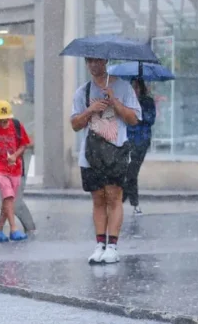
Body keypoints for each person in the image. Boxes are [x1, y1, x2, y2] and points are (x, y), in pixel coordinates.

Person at [71, 57, 141, 265]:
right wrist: (90, 110)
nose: (94, 65)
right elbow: (75, 124)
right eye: (90, 61)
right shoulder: (82, 92)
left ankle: (113, 246)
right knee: (98, 199)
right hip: (92, 154)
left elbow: (134, 119)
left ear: (105, 62)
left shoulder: (122, 87)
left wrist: (115, 102)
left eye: (98, 61)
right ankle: (100, 244)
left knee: (114, 197)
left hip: (116, 151)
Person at [0, 100, 31, 243]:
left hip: (15, 169)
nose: (3, 123)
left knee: (8, 200)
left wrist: (15, 155)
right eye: (0, 120)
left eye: (5, 120)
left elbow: (24, 144)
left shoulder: (16, 126)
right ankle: (14, 229)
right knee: (8, 197)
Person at [123, 77, 156, 215]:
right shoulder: (127, 102)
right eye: (133, 87)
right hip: (127, 140)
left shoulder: (147, 101)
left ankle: (124, 201)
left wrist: (138, 113)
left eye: (137, 87)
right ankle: (130, 203)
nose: (135, 90)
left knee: (132, 172)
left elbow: (150, 119)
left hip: (141, 141)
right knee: (126, 173)